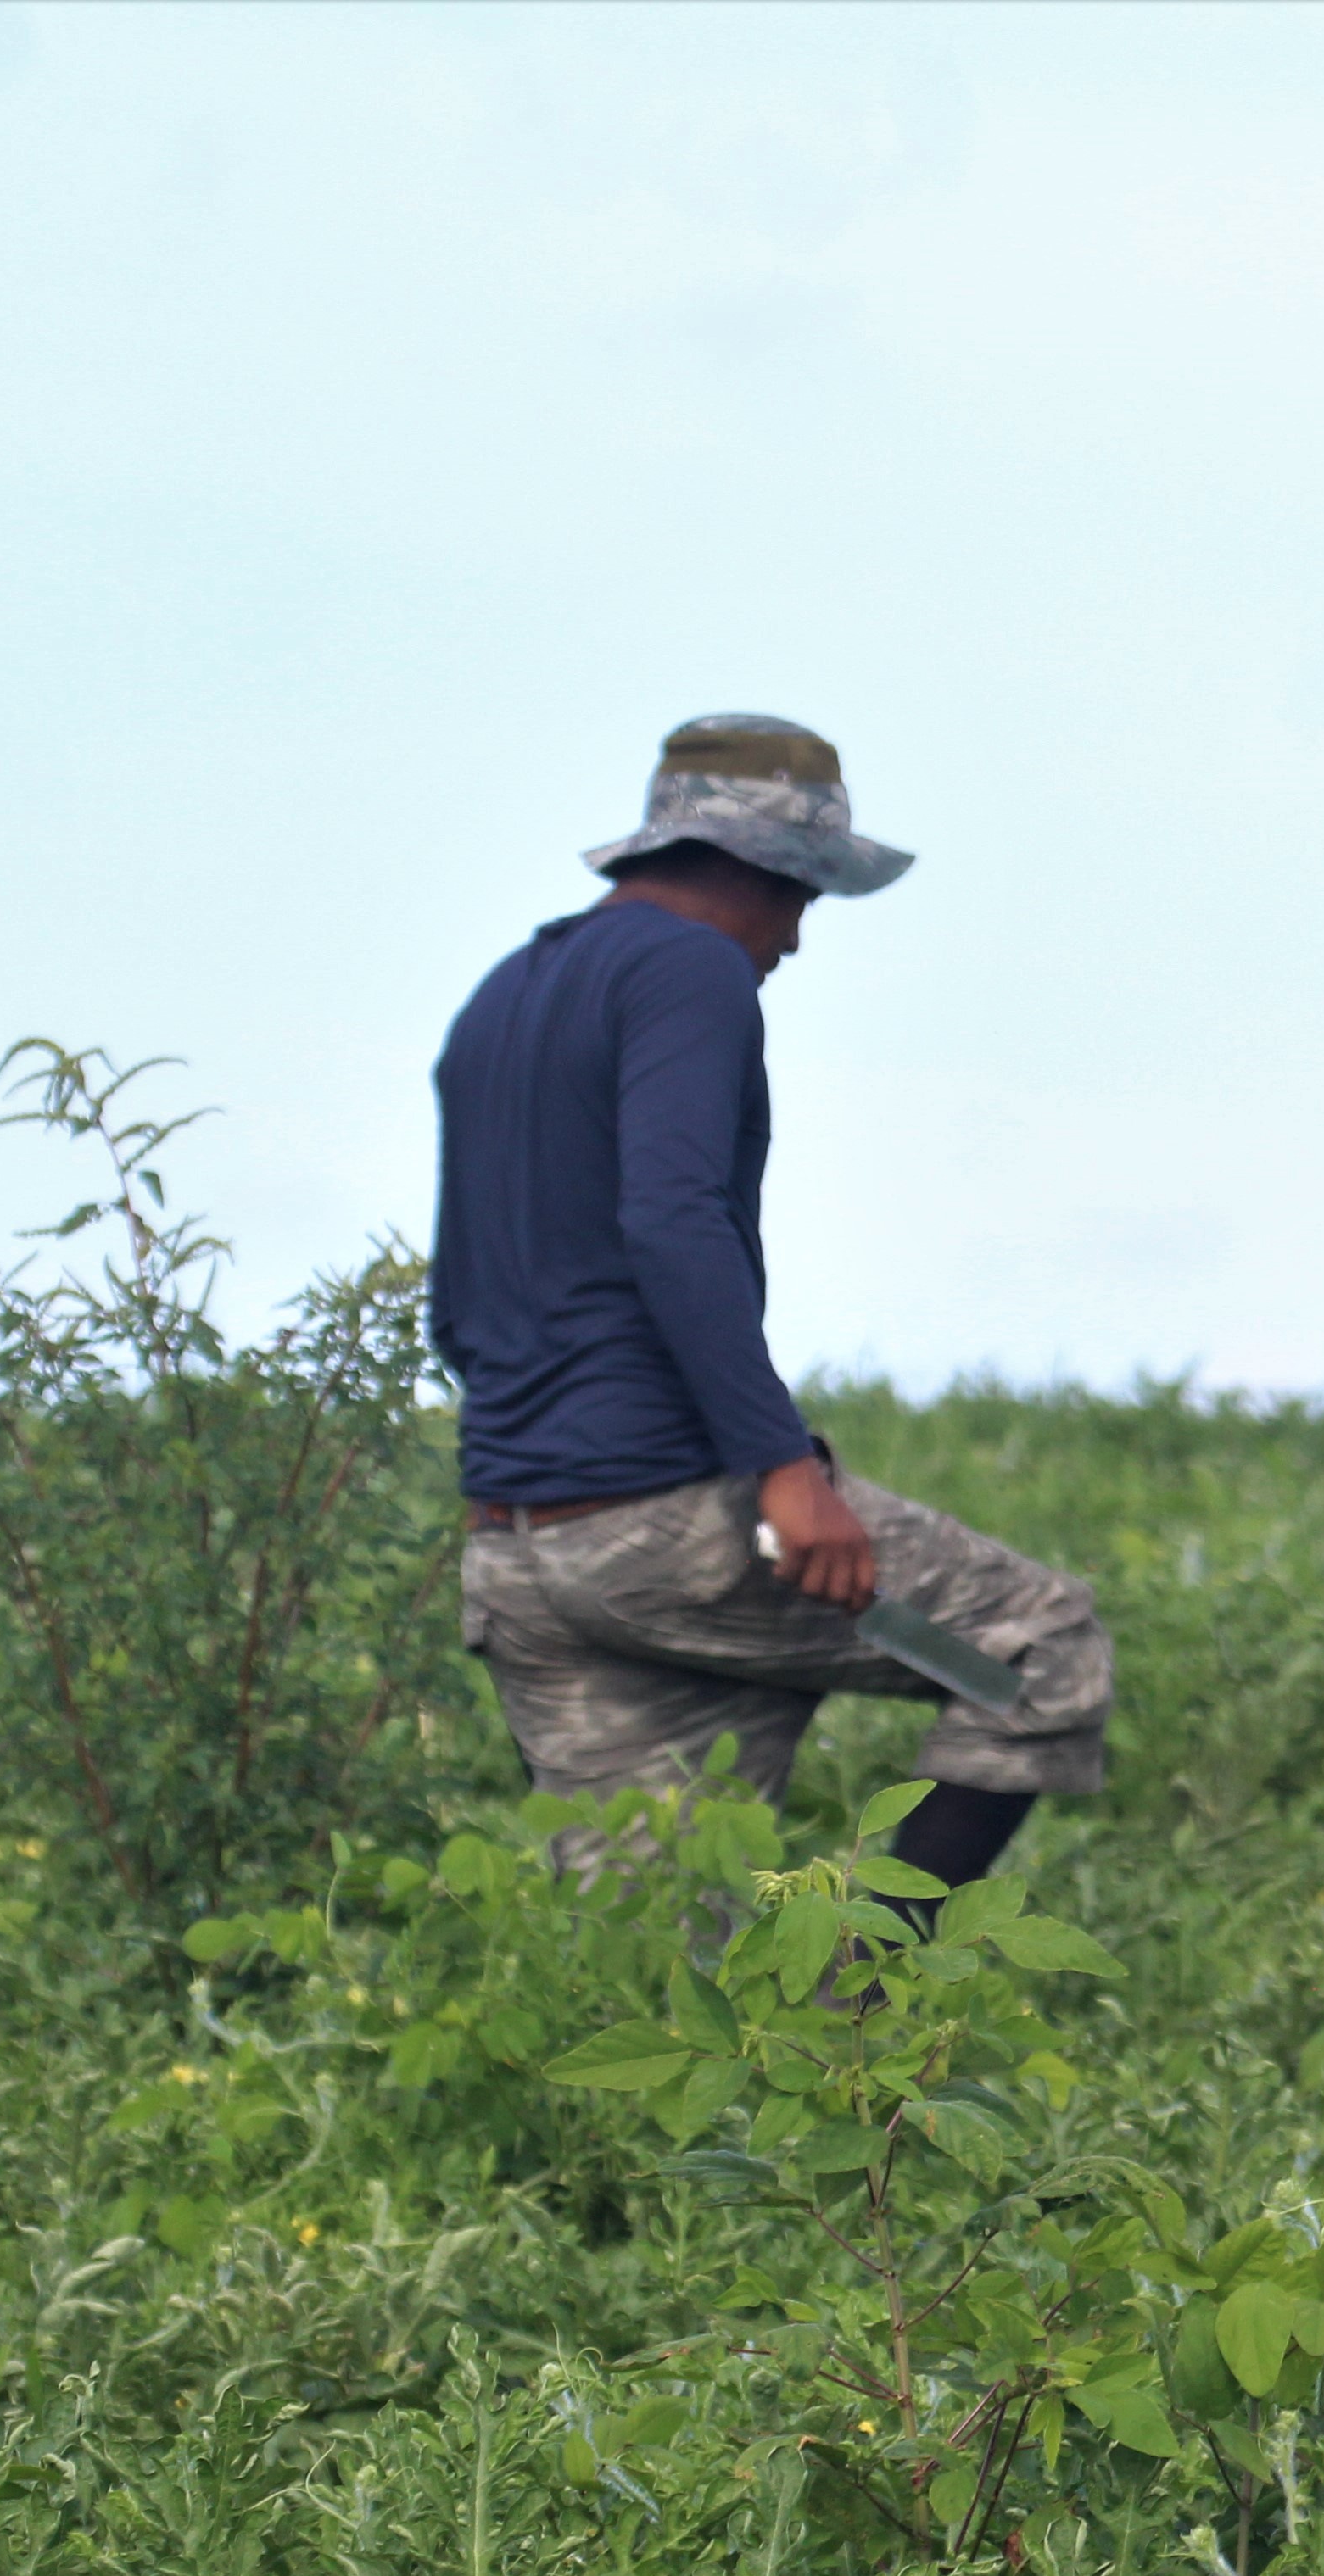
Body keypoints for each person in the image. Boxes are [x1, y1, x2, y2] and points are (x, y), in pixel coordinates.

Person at [429, 714, 1112, 1878]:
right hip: (676, 1527)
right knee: (1041, 1652)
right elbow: (672, 1220)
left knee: (654, 1958)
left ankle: (781, 2047)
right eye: (802, 898)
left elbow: (466, 1287)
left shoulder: (504, 993)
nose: (794, 940)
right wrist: (785, 1468)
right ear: (758, 863)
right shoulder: (687, 968)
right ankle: (854, 1992)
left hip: (521, 1551)